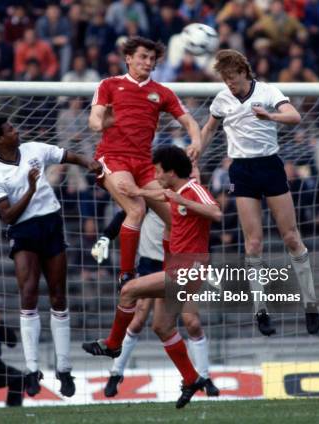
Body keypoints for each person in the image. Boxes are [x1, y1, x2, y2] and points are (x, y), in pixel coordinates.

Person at [83, 146, 222, 409]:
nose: (155, 175)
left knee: (129, 291)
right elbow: (160, 193)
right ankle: (192, 378)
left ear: (171, 172)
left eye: (158, 171)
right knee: (162, 327)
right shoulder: (172, 192)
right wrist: (138, 192)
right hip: (176, 268)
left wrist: (184, 203)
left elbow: (216, 213)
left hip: (190, 270)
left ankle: (113, 344)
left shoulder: (193, 190)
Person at [200, 49, 319, 336]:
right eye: (225, 79)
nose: (229, 83)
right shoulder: (222, 99)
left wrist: (270, 116)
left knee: (291, 236)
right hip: (241, 171)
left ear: (244, 72)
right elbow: (209, 129)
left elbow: (294, 116)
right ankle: (260, 310)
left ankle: (311, 303)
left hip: (270, 166)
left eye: (232, 77)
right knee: (253, 244)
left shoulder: (266, 91)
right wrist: (195, 153)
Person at [0, 118, 102, 398]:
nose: (16, 130)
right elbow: (7, 215)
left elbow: (64, 154)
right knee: (29, 293)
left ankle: (63, 368)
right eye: (10, 129)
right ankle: (32, 369)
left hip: (50, 223)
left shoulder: (34, 149)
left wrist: (88, 163)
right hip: (23, 230)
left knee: (59, 295)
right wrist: (31, 189)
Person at [89, 36, 202, 288]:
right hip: (112, 158)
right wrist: (101, 122)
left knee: (176, 218)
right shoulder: (110, 85)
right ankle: (126, 274)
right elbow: (94, 119)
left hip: (144, 164)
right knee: (137, 209)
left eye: (152, 59)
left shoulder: (162, 92)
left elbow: (190, 122)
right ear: (128, 58)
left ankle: (169, 270)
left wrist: (195, 141)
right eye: (142, 57)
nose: (148, 62)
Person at [99, 210, 219, 398]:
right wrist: (106, 235)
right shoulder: (153, 193)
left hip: (178, 264)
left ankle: (204, 377)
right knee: (138, 319)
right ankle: (116, 373)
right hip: (151, 262)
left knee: (192, 323)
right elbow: (128, 213)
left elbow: (203, 226)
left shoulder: (187, 196)